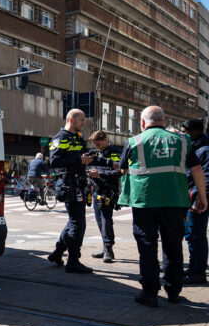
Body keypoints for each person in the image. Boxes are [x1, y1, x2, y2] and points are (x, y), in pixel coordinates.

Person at [119, 106, 207, 307]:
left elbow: (123, 170)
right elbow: (196, 169)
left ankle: (149, 293)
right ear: (164, 121)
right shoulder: (183, 141)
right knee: (173, 245)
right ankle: (173, 291)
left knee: (147, 247)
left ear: (142, 123)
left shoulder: (134, 141)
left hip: (145, 201)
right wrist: (202, 197)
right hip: (175, 201)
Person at [47, 109, 112, 273]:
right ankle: (73, 261)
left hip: (78, 184)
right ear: (71, 119)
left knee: (73, 221)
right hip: (69, 185)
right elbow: (54, 160)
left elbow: (87, 157)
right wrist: (78, 160)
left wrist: (111, 163)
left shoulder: (77, 138)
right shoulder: (61, 137)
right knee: (78, 223)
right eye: (81, 119)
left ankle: (58, 252)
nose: (83, 122)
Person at [180, 118, 209, 285]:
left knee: (196, 234)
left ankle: (198, 272)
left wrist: (198, 196)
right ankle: (194, 267)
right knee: (192, 234)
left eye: (184, 132)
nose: (182, 134)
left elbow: (206, 175)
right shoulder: (195, 147)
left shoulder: (204, 149)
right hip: (191, 196)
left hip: (196, 199)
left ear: (194, 132)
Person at [88, 131, 121, 263]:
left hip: (108, 190)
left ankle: (108, 249)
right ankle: (105, 247)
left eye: (99, 144)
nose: (97, 147)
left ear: (106, 139)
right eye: (95, 144)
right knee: (100, 221)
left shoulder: (115, 152)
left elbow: (119, 171)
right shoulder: (96, 153)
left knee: (106, 220)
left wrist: (99, 175)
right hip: (97, 189)